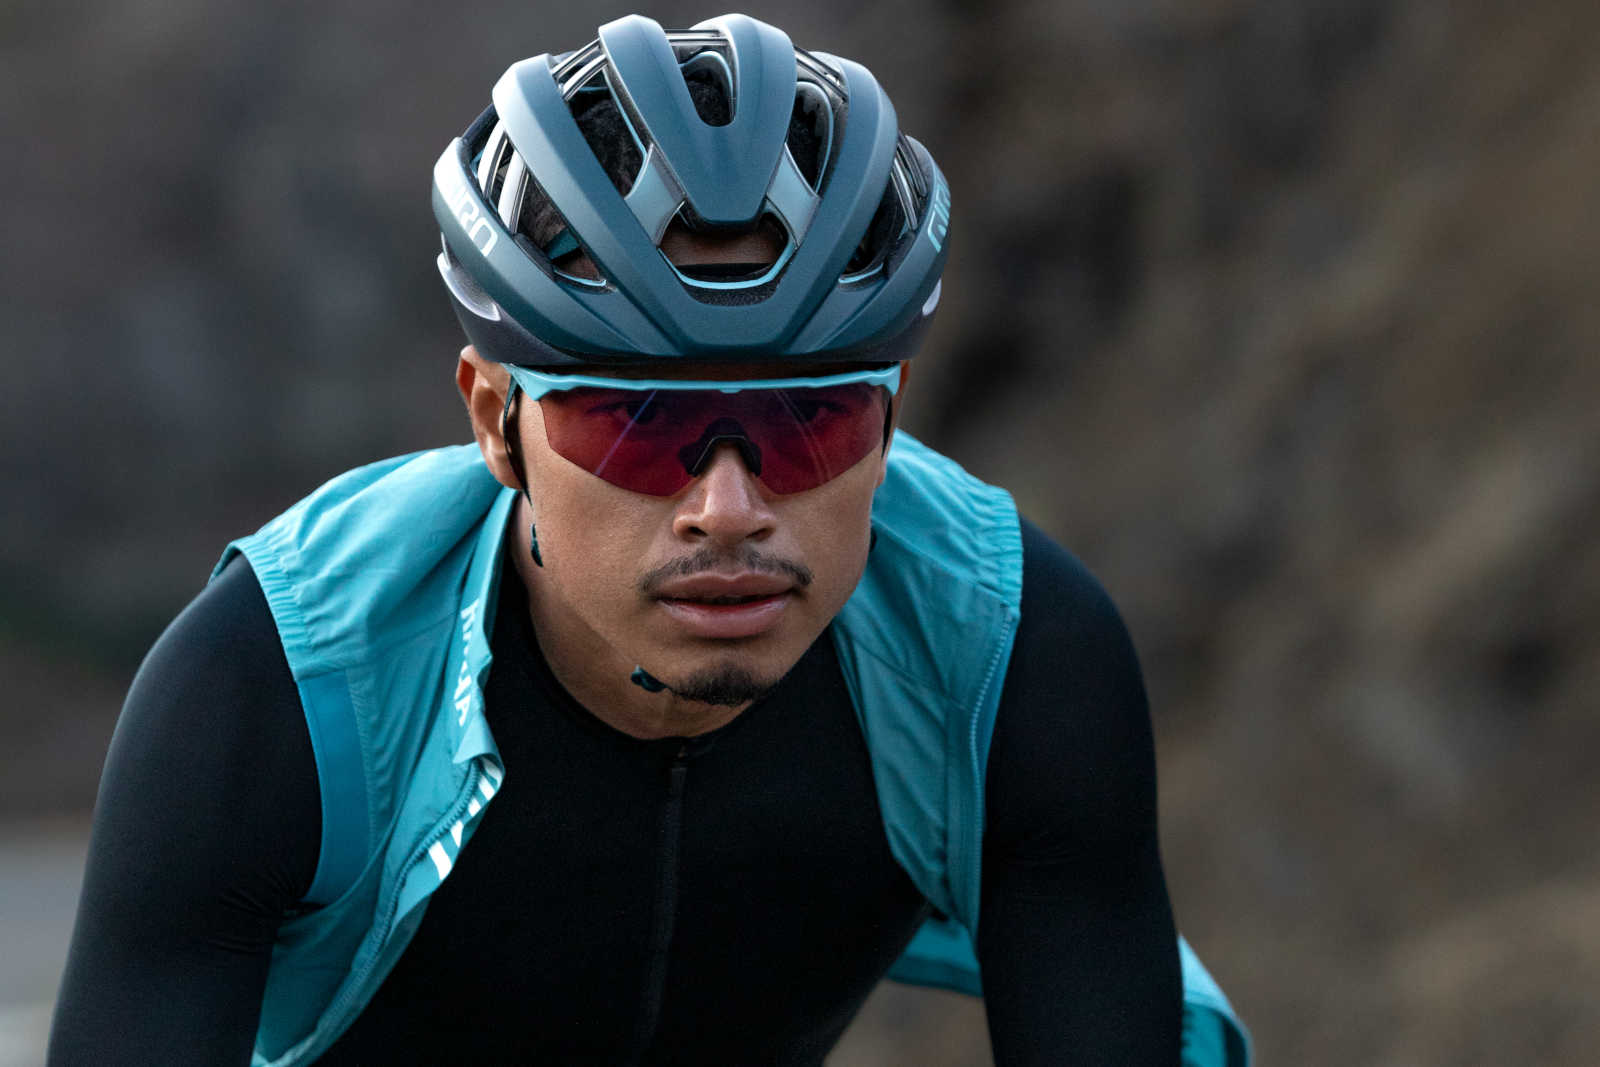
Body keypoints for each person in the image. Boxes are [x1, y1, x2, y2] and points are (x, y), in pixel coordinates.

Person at [49, 14, 1247, 1066]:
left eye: (810, 424)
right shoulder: (272, 688)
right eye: (634, 424)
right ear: (496, 422)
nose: (727, 507)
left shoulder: (1008, 647)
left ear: (889, 424)